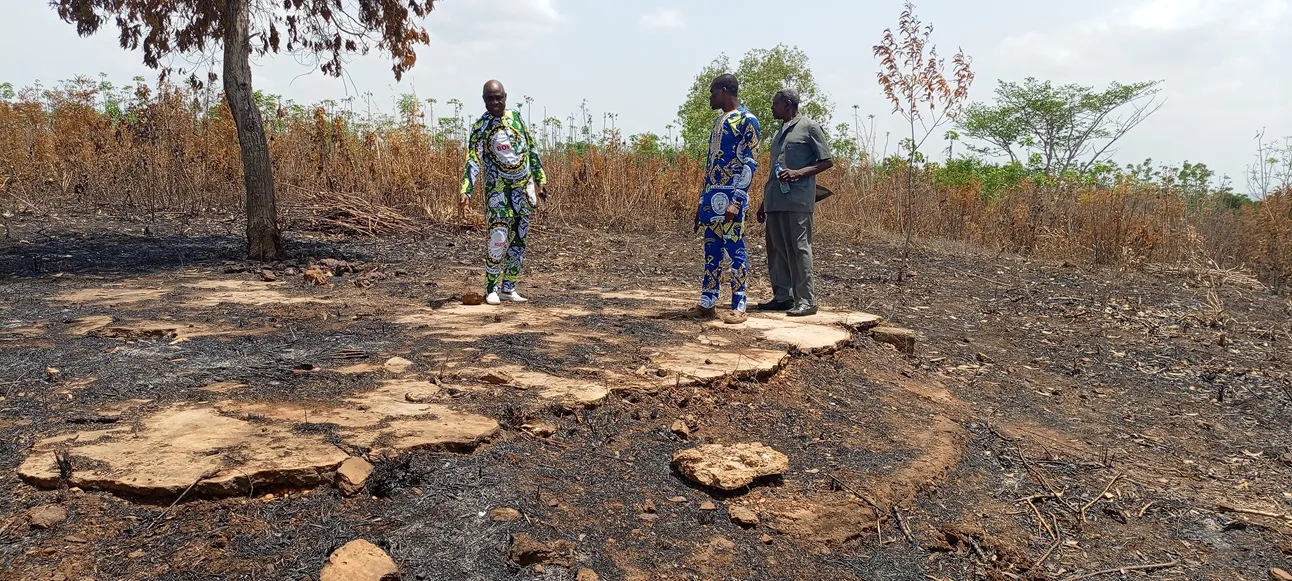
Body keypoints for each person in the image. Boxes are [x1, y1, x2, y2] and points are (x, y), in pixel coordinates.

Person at [460, 80, 548, 306]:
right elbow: (473, 159)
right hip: (497, 190)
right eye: (490, 98)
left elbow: (531, 149)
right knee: (498, 237)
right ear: (484, 100)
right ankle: (491, 288)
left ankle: (508, 287)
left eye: (499, 97)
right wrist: (466, 190)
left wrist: (540, 180)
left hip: (523, 188)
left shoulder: (516, 118)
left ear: (505, 97)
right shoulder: (481, 126)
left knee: (519, 238)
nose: (495, 102)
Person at [755, 88, 833, 317]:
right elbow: (775, 169)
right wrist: (764, 202)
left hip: (798, 199)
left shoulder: (809, 127)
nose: (772, 107)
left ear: (787, 104)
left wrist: (798, 173)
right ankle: (783, 296)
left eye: (775, 103)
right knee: (776, 248)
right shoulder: (779, 132)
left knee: (799, 249)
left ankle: (807, 301)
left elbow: (827, 161)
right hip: (775, 199)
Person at [691, 73, 761, 324]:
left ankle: (739, 304)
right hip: (712, 199)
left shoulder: (748, 120)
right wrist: (701, 203)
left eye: (712, 92)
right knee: (711, 251)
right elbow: (710, 165)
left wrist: (737, 201)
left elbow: (750, 162)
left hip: (732, 198)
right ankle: (707, 302)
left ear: (723, 91)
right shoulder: (718, 121)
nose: (710, 98)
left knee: (735, 250)